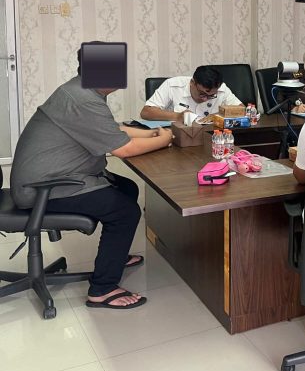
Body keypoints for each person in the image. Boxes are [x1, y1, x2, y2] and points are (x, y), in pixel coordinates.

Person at [10, 46, 174, 309]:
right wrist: (164, 139)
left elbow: (113, 130)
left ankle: (114, 255)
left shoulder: (81, 91)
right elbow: (123, 149)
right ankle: (102, 289)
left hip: (51, 176)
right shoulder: (82, 98)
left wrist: (153, 134)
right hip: (43, 188)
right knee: (125, 212)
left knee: (127, 188)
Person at [140, 65, 242, 121]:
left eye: (211, 96)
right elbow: (146, 112)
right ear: (192, 83)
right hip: (178, 137)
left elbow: (242, 110)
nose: (205, 99)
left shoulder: (221, 88)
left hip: (211, 137)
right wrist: (177, 116)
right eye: (202, 93)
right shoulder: (172, 85)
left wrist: (217, 116)